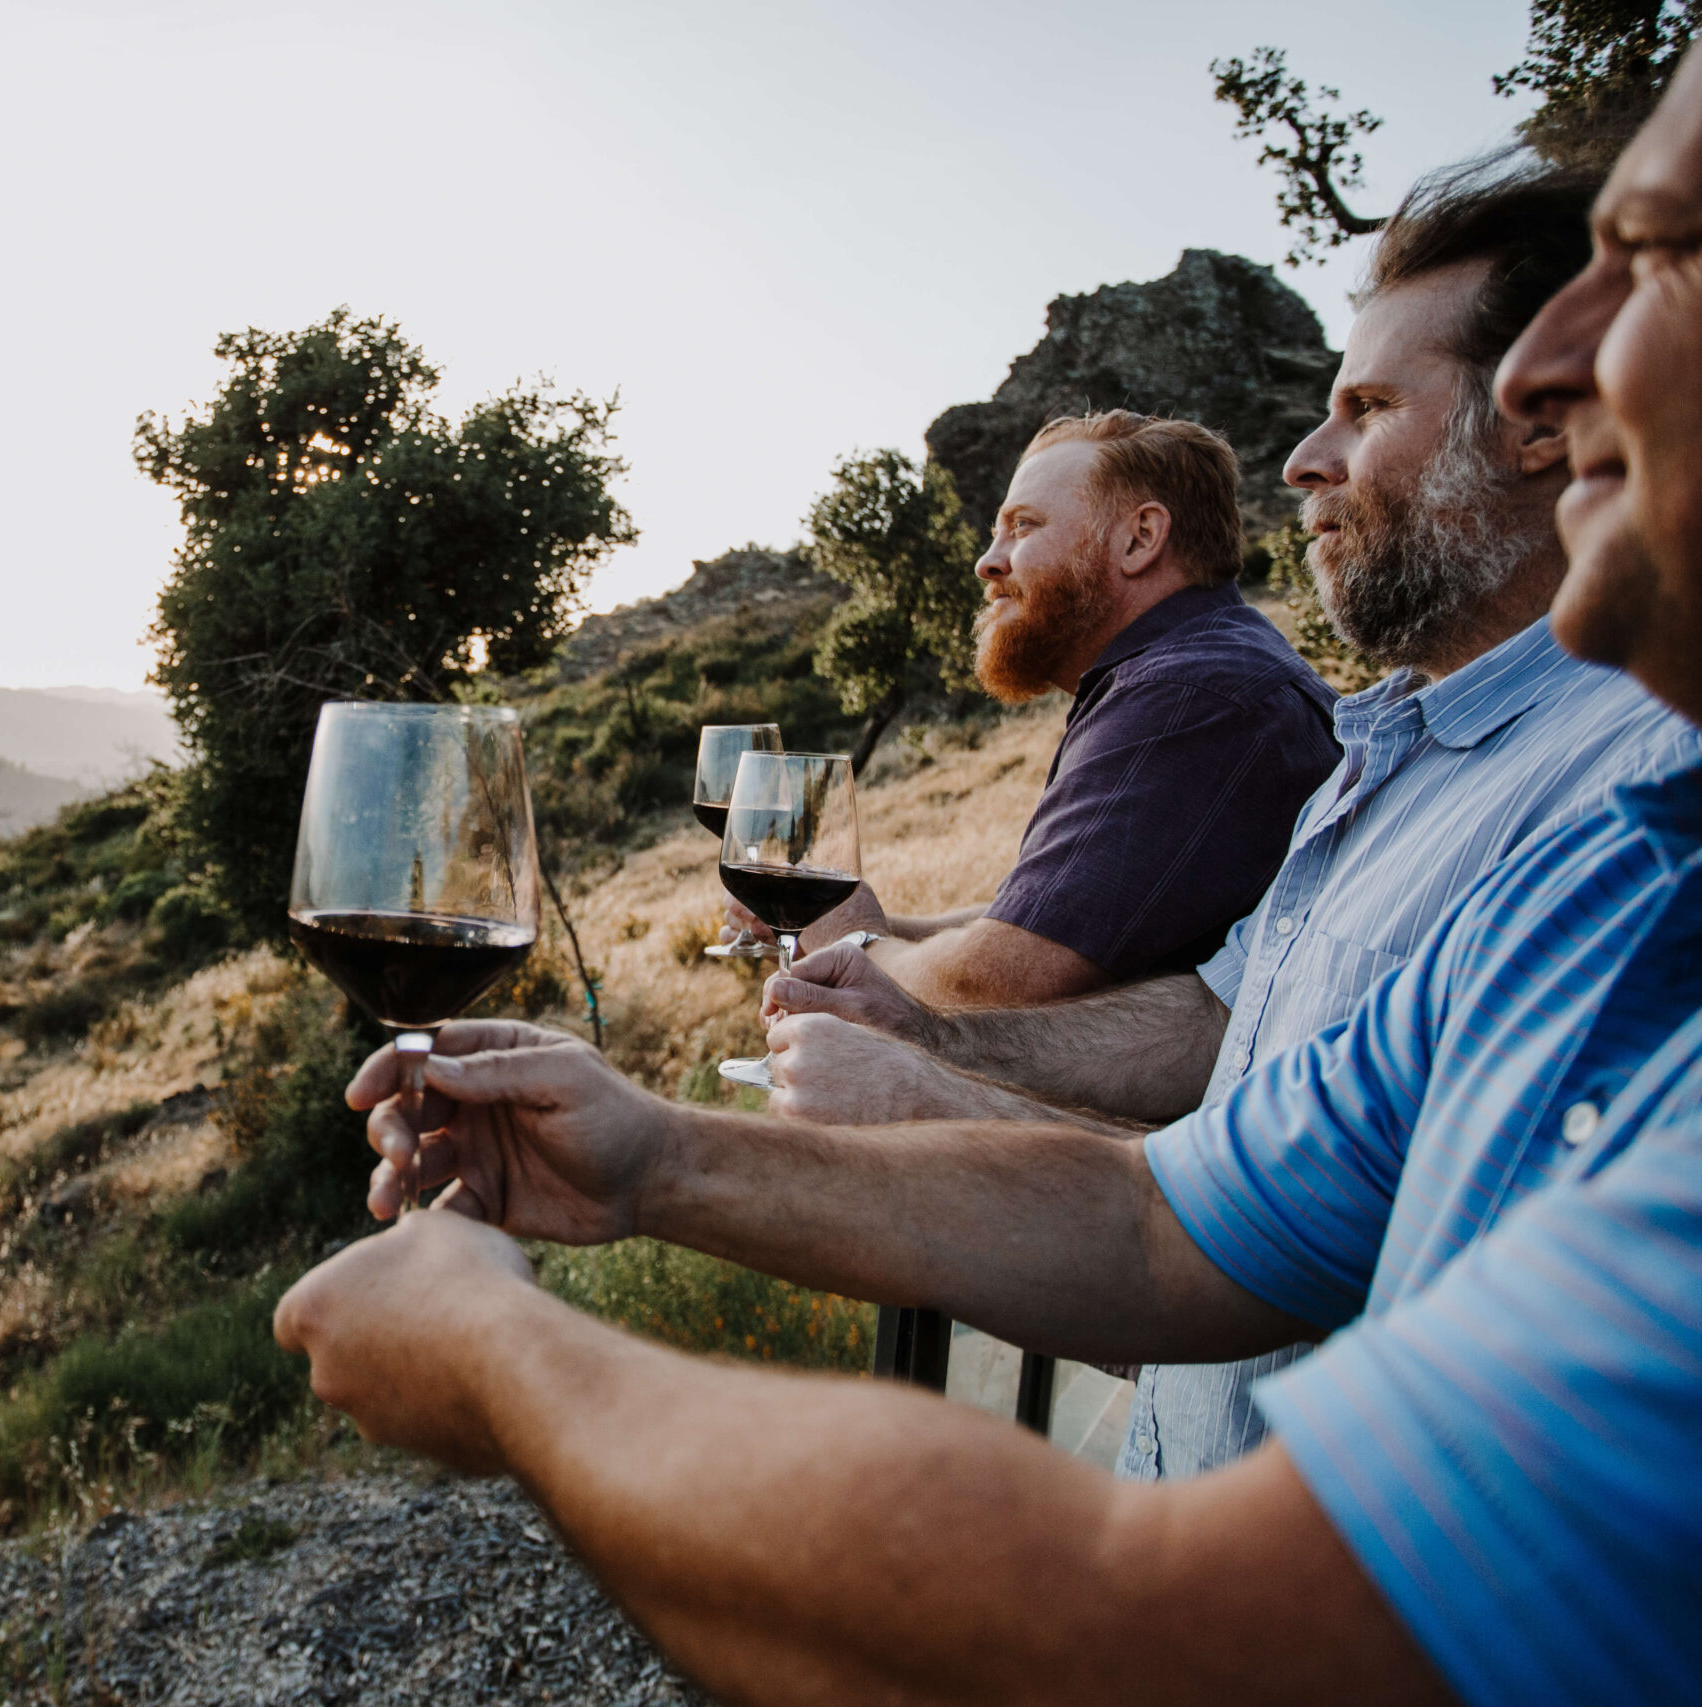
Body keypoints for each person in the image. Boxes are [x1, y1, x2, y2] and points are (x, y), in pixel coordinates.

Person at [270, 56, 1702, 1707]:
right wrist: (652, 1155)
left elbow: (1185, 1638)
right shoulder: (1590, 845)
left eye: (1660, 258)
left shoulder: (1594, 862)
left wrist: (500, 1359)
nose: (1556, 371)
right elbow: (1181, 1220)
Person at [763, 157, 1700, 1479]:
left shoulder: (1630, 791)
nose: (1305, 459)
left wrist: (913, 1091)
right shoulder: (1394, 747)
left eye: (1366, 407)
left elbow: (1351, 1280)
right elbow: (1221, 1022)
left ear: (1548, 415)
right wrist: (911, 1007)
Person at [729, 410, 1337, 1010]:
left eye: (1023, 526)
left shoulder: (1190, 696)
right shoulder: (1195, 667)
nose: (987, 562)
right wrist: (875, 925)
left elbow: (996, 986)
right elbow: (1044, 922)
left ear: (1139, 538)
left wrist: (847, 934)